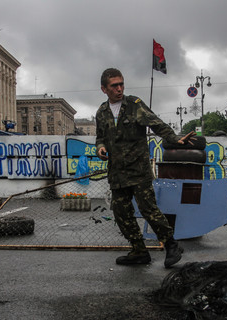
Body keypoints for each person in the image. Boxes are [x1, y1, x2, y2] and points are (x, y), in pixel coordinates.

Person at [95, 68, 196, 268]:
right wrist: (100, 148)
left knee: (149, 209)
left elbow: (156, 124)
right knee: (121, 213)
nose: (119, 88)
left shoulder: (134, 105)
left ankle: (171, 245)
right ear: (104, 89)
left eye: (121, 84)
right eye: (114, 85)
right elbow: (100, 137)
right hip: (117, 172)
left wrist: (175, 138)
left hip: (138, 170)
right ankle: (139, 251)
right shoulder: (101, 112)